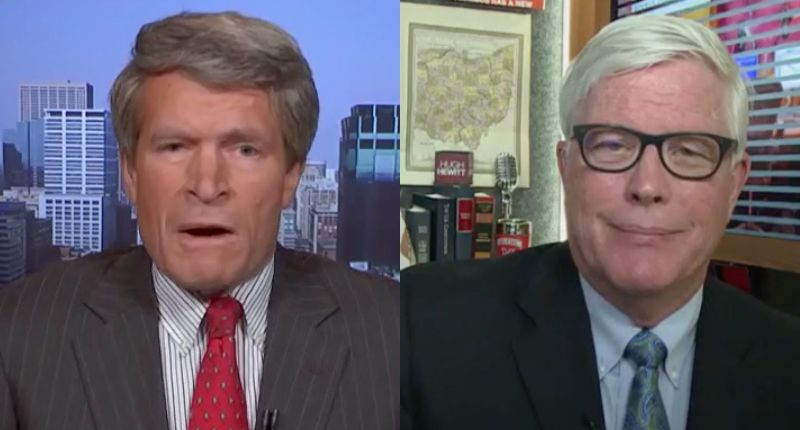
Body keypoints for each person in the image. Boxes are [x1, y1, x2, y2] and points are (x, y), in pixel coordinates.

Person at [0, 11, 398, 430]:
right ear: (130, 173)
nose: (207, 186)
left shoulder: (390, 331)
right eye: (174, 147)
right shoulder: (20, 332)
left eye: (245, 150)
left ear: (290, 176)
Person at [401, 14, 800, 430]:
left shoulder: (789, 365)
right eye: (612, 145)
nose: (647, 186)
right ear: (566, 167)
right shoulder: (421, 326)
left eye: (688, 151)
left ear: (734, 183)